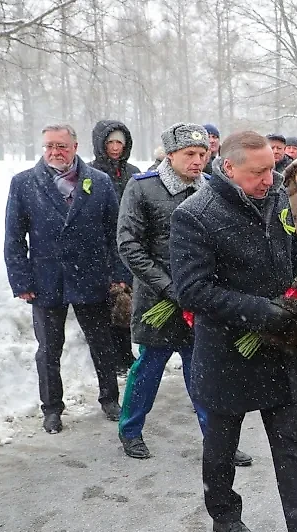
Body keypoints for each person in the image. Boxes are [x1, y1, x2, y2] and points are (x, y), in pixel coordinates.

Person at [171, 130, 297, 532]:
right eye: (258, 172)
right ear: (229, 167)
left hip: (277, 346)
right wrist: (258, 310)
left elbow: (291, 250)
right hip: (226, 351)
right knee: (221, 445)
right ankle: (224, 515)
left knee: (292, 442)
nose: (269, 178)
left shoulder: (274, 199)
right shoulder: (195, 214)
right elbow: (192, 290)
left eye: (272, 168)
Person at [117, 123, 254, 466]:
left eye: (202, 154)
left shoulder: (211, 189)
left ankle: (217, 440)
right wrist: (170, 288)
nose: (197, 161)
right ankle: (131, 430)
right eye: (189, 154)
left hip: (202, 301)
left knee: (205, 374)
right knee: (149, 368)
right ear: (171, 155)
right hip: (158, 301)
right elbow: (130, 246)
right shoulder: (143, 189)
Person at [4, 123, 128, 433]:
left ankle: (109, 398)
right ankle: (52, 408)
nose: (54, 152)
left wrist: (118, 273)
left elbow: (114, 233)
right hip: (46, 279)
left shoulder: (98, 182)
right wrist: (21, 281)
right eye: (49, 146)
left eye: (61, 146)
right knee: (48, 348)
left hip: (91, 276)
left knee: (101, 342)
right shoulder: (24, 183)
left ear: (74, 147)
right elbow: (14, 237)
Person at [89, 119, 141, 375]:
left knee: (126, 302)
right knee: (108, 303)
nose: (115, 147)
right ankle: (111, 356)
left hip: (129, 241)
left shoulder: (132, 172)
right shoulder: (91, 174)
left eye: (119, 142)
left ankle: (125, 352)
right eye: (110, 142)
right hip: (102, 244)